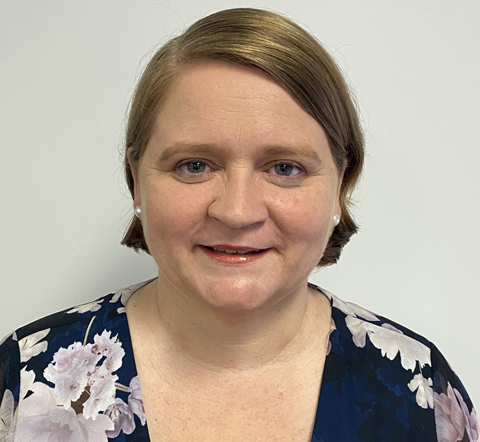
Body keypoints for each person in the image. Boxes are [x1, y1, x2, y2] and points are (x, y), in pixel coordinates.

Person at [0, 7, 477, 442]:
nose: (236, 210)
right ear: (136, 183)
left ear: (339, 186)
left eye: (285, 168)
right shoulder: (26, 377)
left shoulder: (420, 391)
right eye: (194, 165)